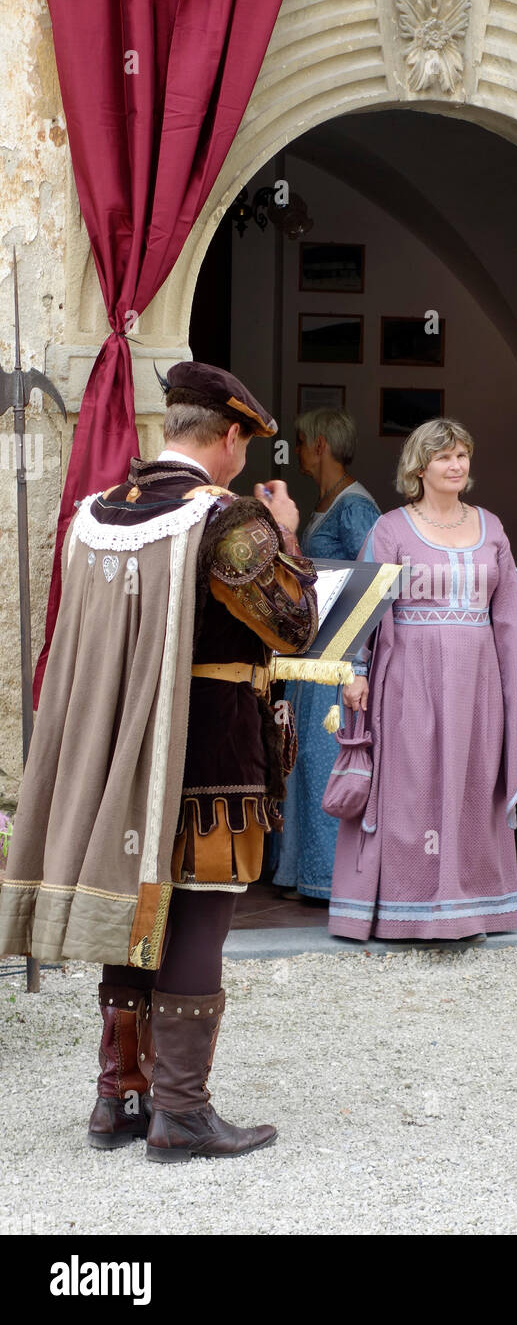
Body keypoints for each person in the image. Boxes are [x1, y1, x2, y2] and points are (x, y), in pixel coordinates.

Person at [0, 362, 318, 1162]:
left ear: (170, 425)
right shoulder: (226, 518)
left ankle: (119, 1098)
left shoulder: (96, 513)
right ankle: (182, 1112)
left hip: (118, 748)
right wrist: (285, 532)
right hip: (210, 748)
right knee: (200, 913)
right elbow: (294, 626)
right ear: (233, 436)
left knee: (137, 907)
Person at [328, 418, 517, 943]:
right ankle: (406, 908)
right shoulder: (391, 529)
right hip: (409, 680)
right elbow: (361, 607)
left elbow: (512, 600)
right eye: (444, 457)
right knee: (410, 786)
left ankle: (470, 905)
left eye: (463, 456)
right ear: (419, 466)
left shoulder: (491, 528)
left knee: (473, 782)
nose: (456, 466)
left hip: (479, 684)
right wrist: (353, 670)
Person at [271, 408, 379, 901]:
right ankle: (303, 874)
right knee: (305, 760)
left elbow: (374, 583)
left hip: (337, 660)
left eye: (300, 443)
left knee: (323, 761)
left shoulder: (355, 508)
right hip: (315, 659)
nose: (296, 453)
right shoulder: (327, 503)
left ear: (319, 445)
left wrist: (356, 660)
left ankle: (330, 881)